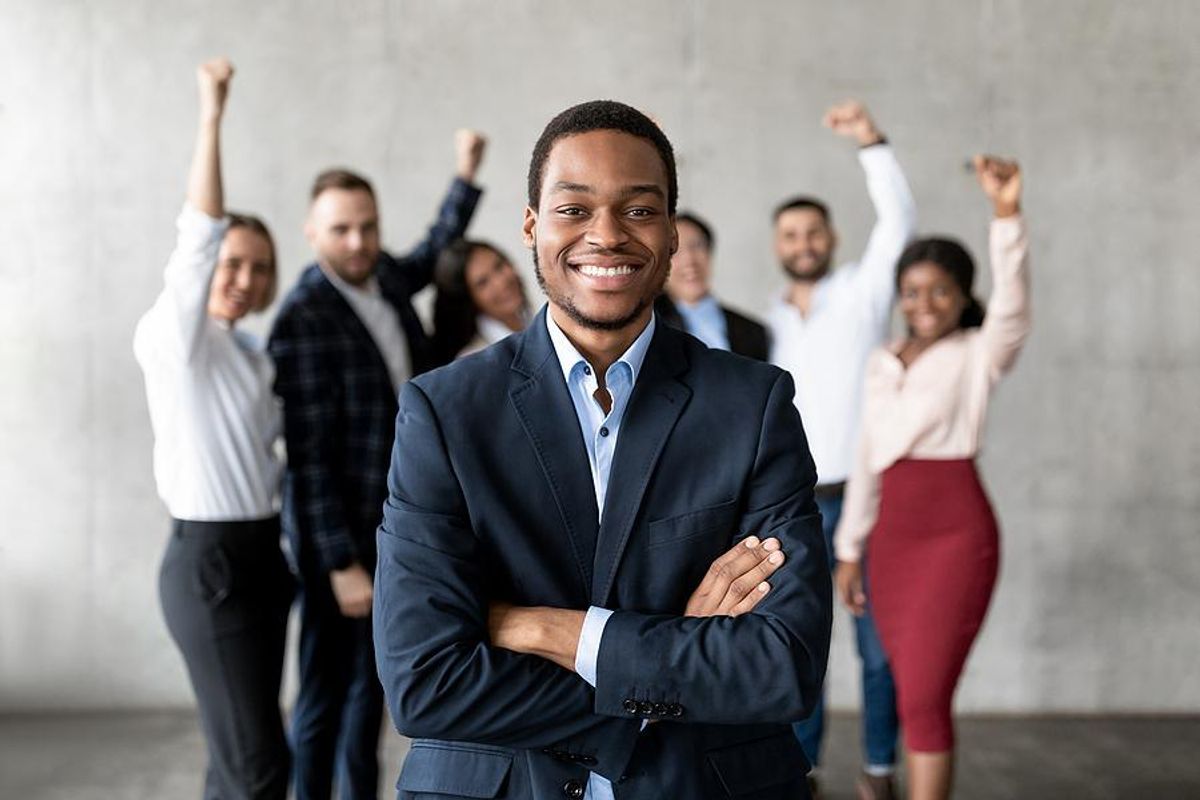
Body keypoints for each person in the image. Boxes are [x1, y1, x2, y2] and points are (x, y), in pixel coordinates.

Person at [373, 100, 832, 800]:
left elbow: (779, 666)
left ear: (674, 234)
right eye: (574, 209)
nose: (608, 235)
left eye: (641, 211)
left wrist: (545, 630)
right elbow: (425, 683)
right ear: (532, 225)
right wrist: (669, 659)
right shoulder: (444, 411)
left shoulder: (753, 405)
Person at [268, 131, 486, 800]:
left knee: (374, 685)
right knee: (327, 692)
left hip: (395, 516)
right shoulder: (304, 318)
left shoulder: (382, 277)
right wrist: (339, 563)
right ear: (312, 232)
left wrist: (465, 175)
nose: (358, 242)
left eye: (367, 227)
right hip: (343, 536)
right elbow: (307, 458)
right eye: (342, 230)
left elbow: (427, 254)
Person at [834, 156, 1030, 800]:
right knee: (904, 686)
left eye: (939, 291)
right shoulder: (881, 361)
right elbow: (867, 457)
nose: (923, 304)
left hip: (954, 534)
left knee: (924, 695)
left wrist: (1005, 214)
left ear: (962, 296)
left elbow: (1013, 307)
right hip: (891, 537)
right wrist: (850, 549)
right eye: (912, 292)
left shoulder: (978, 353)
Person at [133, 58, 292, 799]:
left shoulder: (251, 354)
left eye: (259, 268)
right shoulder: (177, 340)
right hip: (211, 565)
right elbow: (197, 236)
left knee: (247, 753)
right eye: (233, 262)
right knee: (256, 764)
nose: (243, 279)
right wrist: (212, 115)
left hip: (262, 554)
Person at [767, 100, 917, 799]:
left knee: (877, 650)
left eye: (812, 230)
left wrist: (871, 141)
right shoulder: (764, 323)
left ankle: (881, 769)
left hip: (865, 499)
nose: (802, 241)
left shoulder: (861, 294)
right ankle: (802, 771)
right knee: (802, 649)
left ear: (829, 237)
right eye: (790, 233)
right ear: (778, 245)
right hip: (792, 506)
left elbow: (900, 226)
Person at [654, 211, 769, 360]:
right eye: (674, 250)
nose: (689, 260)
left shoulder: (752, 331)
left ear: (710, 253)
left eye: (696, 246)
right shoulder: (645, 327)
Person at [431, 238, 530, 362]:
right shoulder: (474, 361)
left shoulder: (535, 322)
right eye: (483, 283)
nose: (501, 282)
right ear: (469, 300)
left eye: (499, 266)